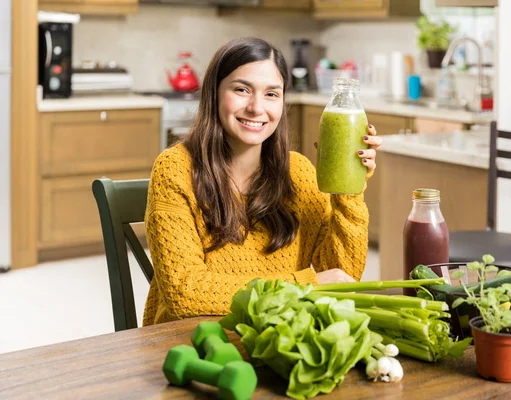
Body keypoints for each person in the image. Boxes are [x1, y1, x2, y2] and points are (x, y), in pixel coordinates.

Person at [143, 37, 382, 326]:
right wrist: (303, 285)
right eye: (242, 90)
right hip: (192, 344)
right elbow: (185, 293)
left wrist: (349, 188)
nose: (257, 108)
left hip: (276, 336)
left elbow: (341, 277)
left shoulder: (300, 173)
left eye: (271, 94)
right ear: (214, 93)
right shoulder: (175, 169)